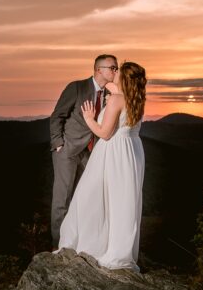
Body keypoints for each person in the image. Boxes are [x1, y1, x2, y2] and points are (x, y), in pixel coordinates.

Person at [58, 61, 147, 272]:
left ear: (124, 79)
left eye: (118, 71)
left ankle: (93, 244)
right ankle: (116, 246)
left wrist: (89, 119)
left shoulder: (116, 99)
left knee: (91, 197)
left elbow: (105, 133)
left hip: (112, 151)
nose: (114, 73)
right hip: (132, 151)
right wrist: (112, 94)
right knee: (121, 201)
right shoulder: (137, 99)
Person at [49, 53, 119, 247]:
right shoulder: (77, 87)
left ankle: (79, 242)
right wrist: (58, 144)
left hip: (91, 154)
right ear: (99, 70)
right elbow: (57, 116)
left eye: (116, 68)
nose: (115, 71)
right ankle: (58, 246)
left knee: (86, 198)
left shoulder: (110, 95)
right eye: (112, 67)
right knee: (62, 199)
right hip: (67, 152)